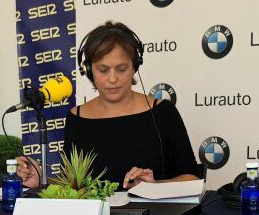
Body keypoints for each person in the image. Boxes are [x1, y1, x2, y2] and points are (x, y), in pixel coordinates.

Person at [17, 21, 199, 190]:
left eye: (121, 69)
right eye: (103, 70)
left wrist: (155, 185)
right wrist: (41, 180)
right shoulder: (77, 117)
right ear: (88, 71)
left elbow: (192, 179)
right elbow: (73, 185)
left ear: (135, 67)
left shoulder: (162, 112)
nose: (113, 79)